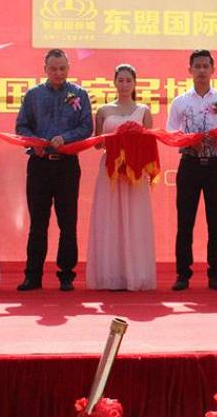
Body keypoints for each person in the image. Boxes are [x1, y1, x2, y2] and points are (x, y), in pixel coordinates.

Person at [15, 48, 93, 292]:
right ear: (45, 69)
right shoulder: (33, 95)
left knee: (67, 223)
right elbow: (21, 126)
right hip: (39, 165)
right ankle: (33, 276)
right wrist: (34, 143)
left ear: (68, 68)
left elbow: (86, 127)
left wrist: (65, 138)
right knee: (38, 224)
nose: (58, 72)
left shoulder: (79, 93)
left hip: (67, 165)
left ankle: (66, 275)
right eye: (53, 68)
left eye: (62, 68)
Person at [167, 49, 217, 291]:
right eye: (197, 66)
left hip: (215, 165)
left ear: (213, 70)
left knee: (215, 222)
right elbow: (171, 133)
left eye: (206, 66)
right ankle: (183, 274)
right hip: (189, 164)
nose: (201, 70)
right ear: (190, 70)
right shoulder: (180, 101)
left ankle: (215, 274)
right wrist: (189, 140)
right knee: (185, 222)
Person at [86, 64, 156, 291]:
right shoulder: (104, 111)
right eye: (121, 80)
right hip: (111, 170)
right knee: (110, 218)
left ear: (134, 84)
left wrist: (132, 143)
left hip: (135, 173)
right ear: (114, 82)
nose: (124, 85)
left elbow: (149, 143)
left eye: (128, 81)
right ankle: (111, 275)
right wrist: (117, 140)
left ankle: (135, 274)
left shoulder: (143, 111)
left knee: (135, 219)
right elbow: (98, 144)